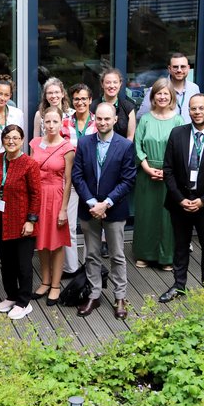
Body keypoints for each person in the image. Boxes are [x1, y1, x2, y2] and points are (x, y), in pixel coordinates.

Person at [159, 94, 204, 303]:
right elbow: (168, 169)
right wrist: (180, 199)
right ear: (188, 111)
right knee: (180, 246)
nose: (197, 112)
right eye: (193, 109)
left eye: (201, 108)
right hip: (180, 201)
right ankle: (178, 285)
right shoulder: (177, 134)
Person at [71, 103, 136, 318]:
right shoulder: (84, 143)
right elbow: (77, 176)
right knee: (91, 254)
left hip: (113, 210)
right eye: (99, 118)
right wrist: (92, 202)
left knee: (117, 255)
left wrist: (105, 203)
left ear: (115, 120)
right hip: (89, 209)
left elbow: (128, 180)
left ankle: (120, 297)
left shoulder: (125, 146)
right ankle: (94, 294)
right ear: (94, 119)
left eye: (107, 119)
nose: (103, 122)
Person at [0, 124, 41, 321]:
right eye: (8, 137)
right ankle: (11, 295)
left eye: (16, 137)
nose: (11, 141)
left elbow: (36, 195)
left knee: (23, 265)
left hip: (23, 223)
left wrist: (31, 220)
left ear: (22, 141)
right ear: (3, 139)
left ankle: (24, 302)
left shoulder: (30, 164)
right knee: (6, 264)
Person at [132, 78, 183, 271]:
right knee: (147, 215)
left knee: (167, 217)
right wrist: (146, 167)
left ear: (171, 97)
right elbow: (138, 146)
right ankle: (144, 254)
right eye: (158, 93)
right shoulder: (145, 119)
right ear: (153, 96)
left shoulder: (178, 120)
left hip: (171, 177)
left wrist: (168, 172)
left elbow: (181, 149)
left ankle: (166, 256)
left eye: (165, 94)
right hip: (147, 174)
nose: (162, 97)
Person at [29, 106, 75, 306]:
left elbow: (68, 180)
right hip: (38, 196)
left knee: (56, 243)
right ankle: (45, 281)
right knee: (41, 242)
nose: (50, 125)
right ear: (42, 123)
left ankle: (56, 285)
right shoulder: (35, 143)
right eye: (47, 121)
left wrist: (64, 209)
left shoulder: (67, 147)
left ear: (61, 122)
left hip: (56, 196)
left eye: (55, 121)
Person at [64, 83, 97, 278]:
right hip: (69, 179)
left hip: (92, 181)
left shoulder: (98, 122)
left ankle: (88, 266)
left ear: (90, 100)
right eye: (77, 99)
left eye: (84, 98)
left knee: (90, 226)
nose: (80, 102)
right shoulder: (65, 123)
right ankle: (70, 267)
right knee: (68, 224)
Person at [138, 53, 201, 122]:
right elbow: (141, 118)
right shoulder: (155, 90)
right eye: (175, 67)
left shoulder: (194, 88)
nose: (179, 70)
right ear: (169, 69)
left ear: (188, 68)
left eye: (183, 67)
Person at [92, 68, 136, 141]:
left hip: (122, 151)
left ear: (120, 84)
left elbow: (130, 138)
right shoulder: (93, 106)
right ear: (102, 84)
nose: (112, 86)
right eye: (108, 82)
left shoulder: (128, 108)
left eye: (115, 82)